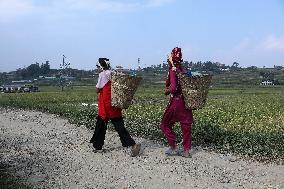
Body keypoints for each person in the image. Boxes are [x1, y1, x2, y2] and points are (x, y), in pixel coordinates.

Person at [90, 58, 141, 157]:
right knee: (119, 126)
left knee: (101, 126)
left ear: (101, 66)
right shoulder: (114, 73)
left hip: (105, 104)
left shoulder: (102, 75)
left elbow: (97, 90)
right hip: (115, 103)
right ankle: (132, 144)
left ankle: (98, 146)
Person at [160, 47, 194, 158]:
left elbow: (174, 88)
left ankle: (173, 146)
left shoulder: (173, 70)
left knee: (165, 124)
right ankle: (186, 150)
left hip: (176, 102)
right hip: (186, 102)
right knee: (186, 126)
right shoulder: (183, 70)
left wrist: (167, 91)